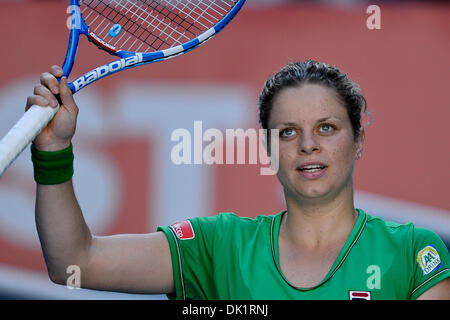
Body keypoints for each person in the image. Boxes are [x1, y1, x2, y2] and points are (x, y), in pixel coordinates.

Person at [27, 60, 449, 300]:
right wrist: (53, 152)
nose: (307, 145)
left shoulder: (414, 251)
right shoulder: (218, 247)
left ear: (358, 141)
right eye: (287, 132)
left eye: (327, 128)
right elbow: (75, 263)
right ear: (267, 152)